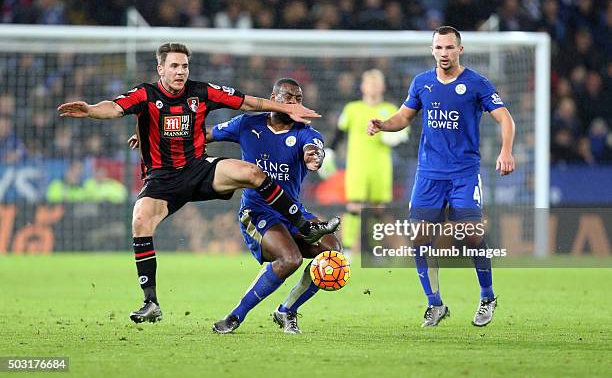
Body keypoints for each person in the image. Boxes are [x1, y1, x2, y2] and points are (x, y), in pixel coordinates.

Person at [58, 43, 340, 324]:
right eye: (174, 66)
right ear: (161, 69)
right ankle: (150, 302)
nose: (180, 71)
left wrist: (295, 123)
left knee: (253, 174)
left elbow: (249, 102)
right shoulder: (146, 94)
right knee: (141, 221)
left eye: (184, 66)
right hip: (162, 178)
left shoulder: (202, 92)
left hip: (197, 168)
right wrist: (92, 109)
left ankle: (304, 228)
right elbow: (115, 108)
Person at [129, 78, 341, 334]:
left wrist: (313, 157)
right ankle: (235, 316)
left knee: (333, 252)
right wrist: (155, 136)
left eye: (298, 99)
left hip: (292, 209)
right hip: (257, 212)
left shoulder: (305, 131)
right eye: (288, 98)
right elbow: (202, 136)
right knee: (290, 259)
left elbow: (313, 150)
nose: (295, 103)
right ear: (273, 97)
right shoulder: (247, 123)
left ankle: (287, 311)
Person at [367, 26, 515, 327]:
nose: (443, 53)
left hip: (464, 173)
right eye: (438, 48)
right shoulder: (422, 83)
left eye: (449, 48)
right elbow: (404, 117)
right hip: (429, 175)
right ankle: (435, 304)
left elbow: (505, 118)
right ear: (432, 50)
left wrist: (506, 151)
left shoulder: (476, 83)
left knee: (472, 234)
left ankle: (487, 296)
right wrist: (383, 124)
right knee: (419, 237)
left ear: (460, 50)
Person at [323, 69, 408, 249]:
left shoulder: (390, 110)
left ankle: (374, 249)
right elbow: (340, 132)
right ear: (363, 86)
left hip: (381, 167)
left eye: (376, 83)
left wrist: (397, 136)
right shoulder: (352, 109)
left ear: (383, 86)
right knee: (353, 205)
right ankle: (346, 248)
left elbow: (403, 132)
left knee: (378, 208)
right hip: (357, 166)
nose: (373, 87)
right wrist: (329, 150)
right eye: (370, 83)